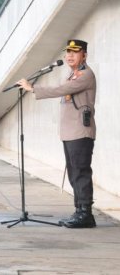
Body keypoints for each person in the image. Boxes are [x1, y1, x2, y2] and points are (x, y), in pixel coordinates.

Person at [17, 39, 97, 229]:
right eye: (67, 52)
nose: (69, 56)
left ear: (84, 55)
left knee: (80, 172)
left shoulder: (86, 75)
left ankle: (86, 214)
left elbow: (61, 90)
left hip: (81, 132)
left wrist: (33, 88)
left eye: (75, 52)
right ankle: (79, 211)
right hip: (70, 133)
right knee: (73, 173)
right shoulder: (73, 75)